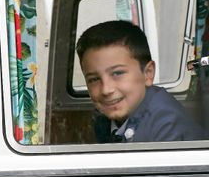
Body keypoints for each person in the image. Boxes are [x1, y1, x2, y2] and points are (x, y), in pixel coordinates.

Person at [76, 20, 206, 143]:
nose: (106, 89)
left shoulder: (169, 128)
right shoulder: (105, 117)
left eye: (118, 73)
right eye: (94, 79)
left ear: (148, 73)